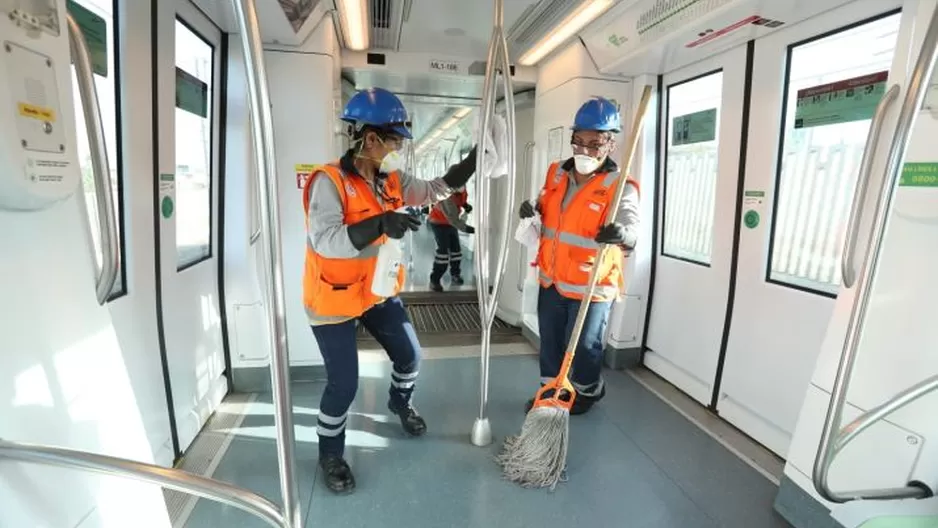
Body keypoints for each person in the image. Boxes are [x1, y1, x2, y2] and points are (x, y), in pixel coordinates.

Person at [301, 87, 500, 493]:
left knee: (410, 355)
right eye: (393, 140)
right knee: (344, 384)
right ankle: (331, 453)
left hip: (375, 292)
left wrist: (475, 161)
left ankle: (399, 400)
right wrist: (379, 224)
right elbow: (326, 241)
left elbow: (434, 189)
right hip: (334, 297)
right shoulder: (330, 181)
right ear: (370, 139)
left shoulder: (392, 178)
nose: (398, 148)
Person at [519, 96, 640, 416]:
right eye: (579, 142)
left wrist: (621, 235)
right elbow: (548, 208)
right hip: (552, 279)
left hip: (591, 285)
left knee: (586, 347)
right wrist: (531, 208)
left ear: (610, 144)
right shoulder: (556, 173)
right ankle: (550, 391)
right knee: (550, 342)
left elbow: (632, 232)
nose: (584, 151)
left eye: (594, 143)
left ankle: (587, 391)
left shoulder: (621, 185)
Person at [427, 186, 474, 292]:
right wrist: (471, 230)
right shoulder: (446, 196)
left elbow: (460, 200)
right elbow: (455, 221)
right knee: (443, 253)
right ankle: (435, 280)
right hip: (438, 222)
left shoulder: (461, 189)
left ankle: (455, 274)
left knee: (456, 251)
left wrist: (465, 205)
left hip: (450, 223)